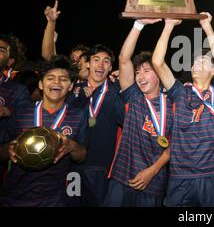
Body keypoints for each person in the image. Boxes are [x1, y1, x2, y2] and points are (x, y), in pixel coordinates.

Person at [152, 13, 214, 207]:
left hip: (211, 175)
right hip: (180, 175)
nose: (196, 64)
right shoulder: (180, 92)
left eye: (203, 62)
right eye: (195, 62)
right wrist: (168, 26)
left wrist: (207, 26)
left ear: (213, 72)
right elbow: (157, 63)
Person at [0, 55, 87, 206]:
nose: (56, 82)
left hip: (55, 198)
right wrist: (9, 149)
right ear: (40, 84)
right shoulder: (21, 112)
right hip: (15, 195)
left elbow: (82, 156)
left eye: (64, 79)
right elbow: (1, 153)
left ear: (71, 86)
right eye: (50, 78)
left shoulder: (79, 116)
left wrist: (71, 146)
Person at [104, 19, 172, 207]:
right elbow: (124, 59)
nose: (140, 76)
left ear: (159, 74)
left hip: (152, 183)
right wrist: (138, 25)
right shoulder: (134, 97)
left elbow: (173, 146)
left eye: (147, 71)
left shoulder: (173, 104)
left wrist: (152, 171)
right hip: (121, 178)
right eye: (138, 72)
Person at [67, 44, 125, 206]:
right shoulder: (74, 89)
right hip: (73, 165)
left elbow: (126, 122)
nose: (100, 65)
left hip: (101, 166)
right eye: (96, 60)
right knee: (72, 203)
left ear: (110, 67)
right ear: (87, 64)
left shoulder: (116, 91)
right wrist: (81, 98)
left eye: (106, 61)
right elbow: (66, 117)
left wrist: (125, 86)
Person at [0, 34, 32, 188]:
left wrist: (7, 111)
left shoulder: (18, 91)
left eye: (0, 50)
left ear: (10, 60)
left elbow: (24, 127)